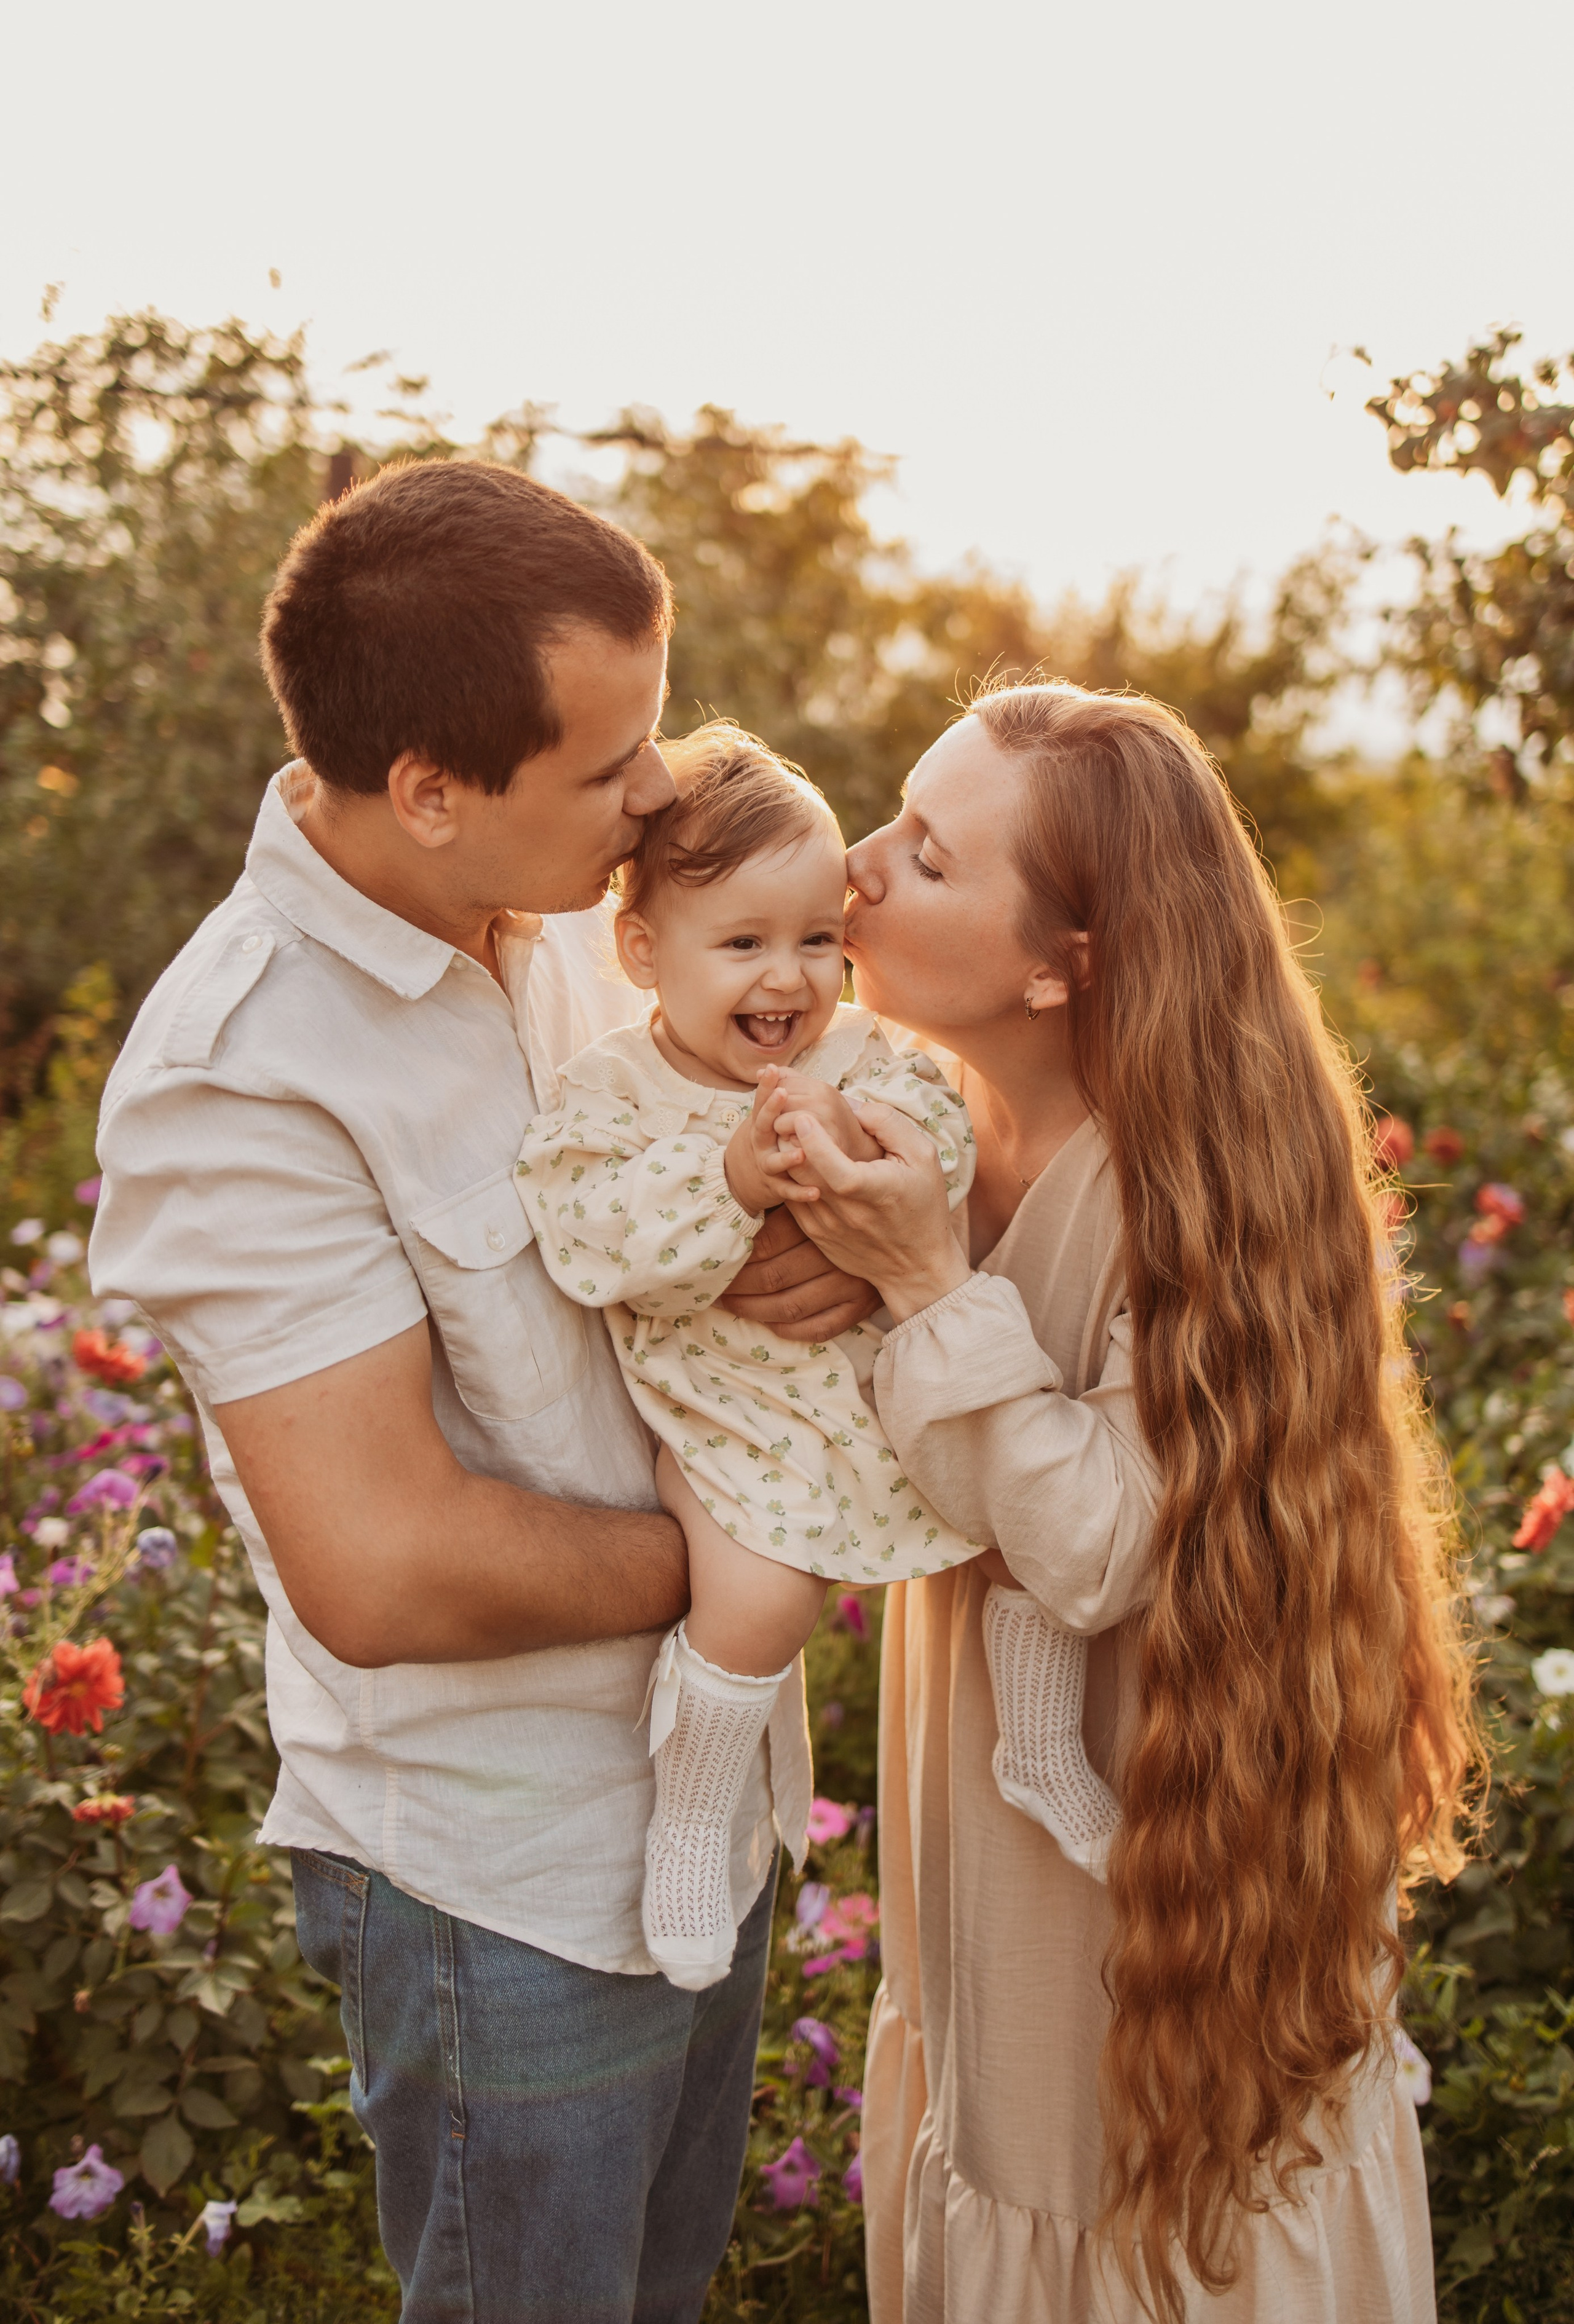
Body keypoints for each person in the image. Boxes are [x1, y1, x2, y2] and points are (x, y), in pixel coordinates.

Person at [85, 460, 864, 2324]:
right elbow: (388, 1567)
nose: (661, 792)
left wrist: (825, 1249)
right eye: (611, 765)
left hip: (710, 1795)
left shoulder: (574, 918)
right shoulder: (247, 1073)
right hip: (503, 1878)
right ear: (431, 790)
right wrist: (755, 1549)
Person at [761, 682, 1477, 2322]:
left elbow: (1093, 1546)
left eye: (927, 856)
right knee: (992, 2125)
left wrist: (926, 1285)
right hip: (980, 1879)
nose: (860, 868)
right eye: (889, 819)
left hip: (1157, 1881)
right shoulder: (920, 1121)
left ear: (1059, 959)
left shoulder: (1192, 1186)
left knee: (1104, 2189)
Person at [517, 720, 1120, 1991]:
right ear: (643, 951)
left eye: (814, 943)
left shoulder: (861, 1059)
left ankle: (1043, 1741)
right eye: (740, 944)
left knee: (1009, 1515)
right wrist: (729, 1177)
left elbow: (940, 1143)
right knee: (759, 1596)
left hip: (861, 1388)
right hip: (731, 1413)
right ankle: (687, 1820)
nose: (785, 979)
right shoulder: (615, 1093)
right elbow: (589, 1236)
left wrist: (884, 1181)